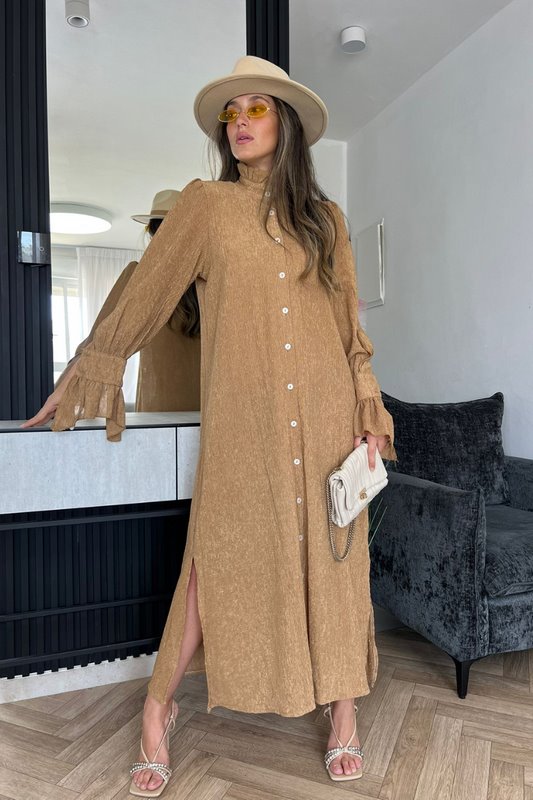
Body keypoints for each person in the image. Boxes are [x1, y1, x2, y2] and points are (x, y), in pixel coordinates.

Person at [27, 56, 396, 795]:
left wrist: (367, 412)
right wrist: (92, 363)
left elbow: (348, 334)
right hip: (244, 428)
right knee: (210, 564)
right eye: (232, 112)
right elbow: (147, 291)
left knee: (334, 562)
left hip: (327, 420)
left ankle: (343, 712)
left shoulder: (326, 222)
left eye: (256, 109)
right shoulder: (205, 206)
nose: (240, 122)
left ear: (286, 125)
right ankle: (157, 707)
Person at [23, 190, 201, 429]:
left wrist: (64, 392)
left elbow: (97, 343)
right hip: (214, 414)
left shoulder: (140, 277)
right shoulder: (212, 283)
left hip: (160, 416)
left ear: (152, 232)